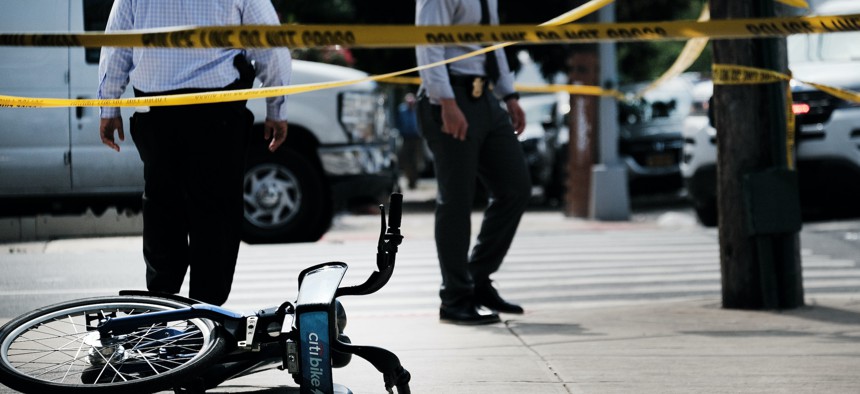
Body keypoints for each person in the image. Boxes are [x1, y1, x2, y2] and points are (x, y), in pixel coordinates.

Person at [98, 0, 291, 306]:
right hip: (218, 115)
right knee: (216, 213)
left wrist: (109, 106)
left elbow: (117, 45)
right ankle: (208, 312)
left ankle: (162, 303)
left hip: (158, 113)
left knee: (163, 207)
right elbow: (270, 45)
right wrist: (276, 108)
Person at [415, 0, 531, 325]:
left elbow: (492, 41)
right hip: (451, 94)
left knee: (516, 188)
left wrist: (509, 95)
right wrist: (446, 101)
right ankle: (454, 298)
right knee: (457, 200)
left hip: (485, 97)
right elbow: (428, 42)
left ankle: (477, 278)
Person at [396, 92, 426, 190]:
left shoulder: (417, 109)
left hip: (417, 138)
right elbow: (398, 123)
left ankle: (414, 181)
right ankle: (410, 180)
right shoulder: (402, 110)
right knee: (406, 160)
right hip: (406, 138)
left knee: (417, 160)